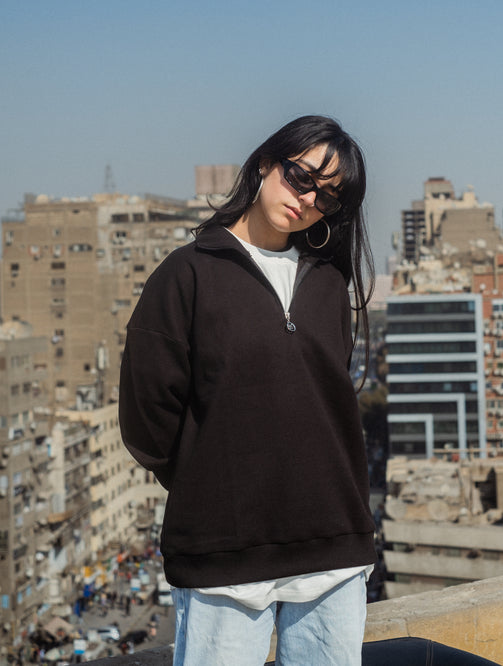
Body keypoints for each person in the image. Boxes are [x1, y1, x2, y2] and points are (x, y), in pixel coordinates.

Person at [119, 115, 377, 665]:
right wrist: (208, 479)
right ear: (265, 163)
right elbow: (146, 416)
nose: (307, 200)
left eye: (328, 197)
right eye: (301, 178)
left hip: (332, 546)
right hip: (223, 554)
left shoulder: (328, 282)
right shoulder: (186, 274)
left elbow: (328, 403)